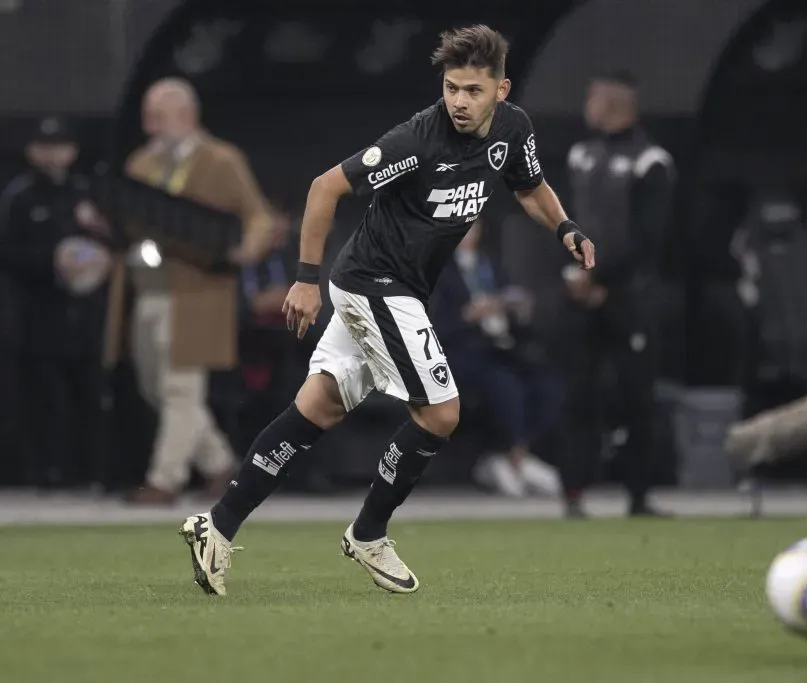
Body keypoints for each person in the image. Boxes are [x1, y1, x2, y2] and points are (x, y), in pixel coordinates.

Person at [178, 25, 596, 597]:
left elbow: (529, 187)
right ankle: (368, 532)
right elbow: (325, 188)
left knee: (317, 407)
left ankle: (216, 525)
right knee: (442, 413)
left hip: (396, 289)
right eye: (452, 88)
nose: (459, 101)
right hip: (375, 284)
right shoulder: (418, 140)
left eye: (473, 90)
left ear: (501, 90)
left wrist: (566, 227)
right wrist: (304, 280)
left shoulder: (513, 131)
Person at [106, 78, 276, 505]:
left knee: (181, 390)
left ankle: (164, 481)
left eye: (158, 118)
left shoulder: (222, 160)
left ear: (186, 115)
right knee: (154, 388)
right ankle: (221, 466)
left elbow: (259, 216)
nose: (151, 128)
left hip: (198, 294)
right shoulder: (141, 163)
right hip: (147, 291)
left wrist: (248, 250)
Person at [559, 72, 675, 518]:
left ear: (617, 101)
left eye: (594, 94)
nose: (587, 101)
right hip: (581, 294)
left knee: (636, 398)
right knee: (577, 394)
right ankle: (573, 493)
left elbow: (649, 239)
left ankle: (639, 495)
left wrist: (601, 277)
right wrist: (574, 274)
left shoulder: (652, 161)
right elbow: (559, 217)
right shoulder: (580, 155)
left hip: (628, 297)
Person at [0, 116, 112, 489]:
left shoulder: (85, 193)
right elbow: (10, 253)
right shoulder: (20, 196)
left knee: (89, 394)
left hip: (86, 316)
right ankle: (49, 473)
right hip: (39, 315)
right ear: (32, 151)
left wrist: (100, 243)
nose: (52, 155)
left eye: (59, 146)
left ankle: (89, 473)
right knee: (46, 399)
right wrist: (53, 260)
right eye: (45, 147)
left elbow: (113, 243)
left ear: (72, 151)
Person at [431, 221, 563, 498]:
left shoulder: (490, 266)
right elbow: (433, 326)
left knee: (545, 382)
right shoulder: (437, 271)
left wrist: (519, 309)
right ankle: (504, 457)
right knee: (504, 386)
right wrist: (468, 316)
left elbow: (511, 297)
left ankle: (518, 455)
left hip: (501, 346)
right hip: (460, 352)